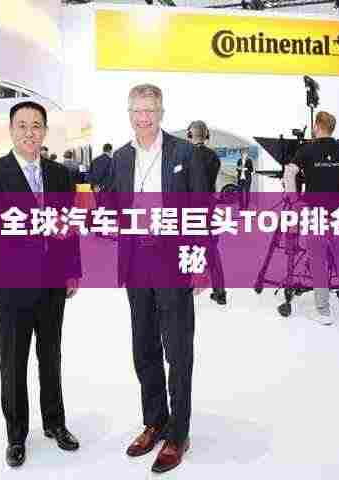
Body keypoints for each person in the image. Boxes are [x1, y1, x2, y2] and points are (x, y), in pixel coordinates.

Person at [107, 84, 208, 474]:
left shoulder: (185, 153)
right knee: (144, 347)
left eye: (150, 110)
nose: (143, 117)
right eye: (137, 110)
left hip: (174, 261)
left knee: (178, 351)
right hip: (136, 262)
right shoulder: (120, 158)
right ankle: (155, 421)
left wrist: (199, 261)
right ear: (129, 113)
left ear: (162, 112)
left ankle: (178, 434)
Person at [0, 101, 82, 467]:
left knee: (51, 357)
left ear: (45, 131)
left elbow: (70, 226)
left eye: (36, 125)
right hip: (12, 286)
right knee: (13, 363)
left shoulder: (59, 174)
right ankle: (16, 436)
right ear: (11, 130)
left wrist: (73, 270)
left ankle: (55, 423)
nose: (29, 132)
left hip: (53, 284)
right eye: (21, 125)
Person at [284, 111, 339, 325]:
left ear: (317, 126)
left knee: (318, 261)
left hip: (316, 213)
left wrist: (294, 200)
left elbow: (289, 173)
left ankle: (324, 312)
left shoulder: (306, 150)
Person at [186, 120, 227, 305]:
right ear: (207, 136)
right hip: (209, 207)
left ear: (189, 135)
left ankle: (187, 287)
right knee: (211, 249)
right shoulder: (214, 157)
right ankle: (219, 292)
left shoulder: (185, 156)